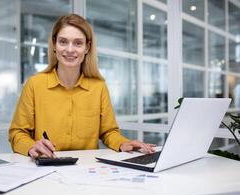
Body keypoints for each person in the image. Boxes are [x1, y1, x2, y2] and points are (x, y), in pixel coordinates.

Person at [9, 14, 156, 159]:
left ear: (87, 47)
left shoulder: (99, 87)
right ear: (54, 44)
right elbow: (17, 133)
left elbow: (108, 132)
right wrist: (31, 146)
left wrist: (124, 143)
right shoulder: (35, 84)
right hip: (47, 167)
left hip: (87, 170)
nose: (70, 49)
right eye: (63, 42)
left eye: (78, 43)